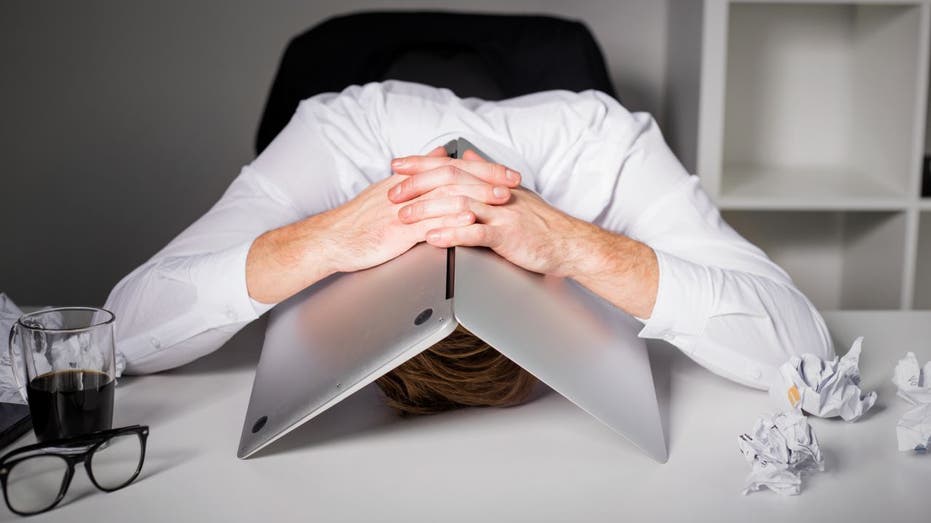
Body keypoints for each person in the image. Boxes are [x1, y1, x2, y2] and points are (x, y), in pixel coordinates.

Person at [104, 81, 834, 414]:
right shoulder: (333, 139)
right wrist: (328, 238)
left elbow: (806, 356)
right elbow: (118, 336)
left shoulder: (607, 149)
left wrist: (574, 245)